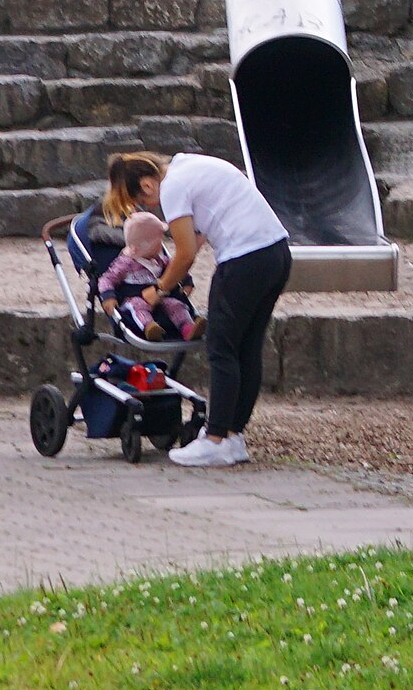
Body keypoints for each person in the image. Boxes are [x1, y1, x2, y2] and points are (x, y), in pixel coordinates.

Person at [131, 150, 289, 467]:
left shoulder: (172, 186)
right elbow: (198, 235)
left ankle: (214, 439)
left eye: (142, 200)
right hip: (276, 253)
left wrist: (159, 290)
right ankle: (233, 438)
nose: (150, 206)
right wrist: (175, 273)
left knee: (221, 349)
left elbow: (186, 253)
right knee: (247, 349)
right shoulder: (190, 163)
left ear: (147, 185)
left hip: (243, 260)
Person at [95, 210, 200, 342]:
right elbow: (107, 279)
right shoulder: (126, 263)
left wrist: (186, 281)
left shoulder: (159, 259)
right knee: (138, 306)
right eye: (158, 241)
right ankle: (149, 327)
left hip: (159, 296)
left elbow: (176, 268)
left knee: (175, 305)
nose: (161, 244)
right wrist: (108, 296)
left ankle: (188, 328)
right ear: (143, 246)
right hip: (134, 297)